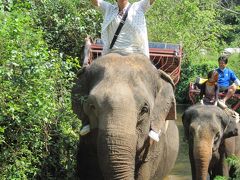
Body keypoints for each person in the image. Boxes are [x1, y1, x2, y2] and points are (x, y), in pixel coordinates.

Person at [90, 0, 156, 57]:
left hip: (135, 53)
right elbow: (96, 2)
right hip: (113, 53)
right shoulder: (109, 9)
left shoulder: (138, 7)